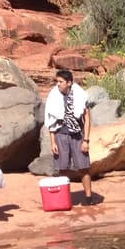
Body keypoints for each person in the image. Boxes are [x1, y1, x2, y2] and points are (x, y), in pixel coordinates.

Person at [44, 69, 95, 205]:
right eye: (57, 81)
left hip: (77, 135)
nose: (58, 84)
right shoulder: (54, 96)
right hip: (61, 135)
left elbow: (87, 118)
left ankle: (89, 198)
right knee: (63, 168)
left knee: (83, 167)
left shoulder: (80, 96)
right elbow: (51, 121)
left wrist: (86, 140)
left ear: (69, 82)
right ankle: (64, 198)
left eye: (61, 82)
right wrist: (53, 141)